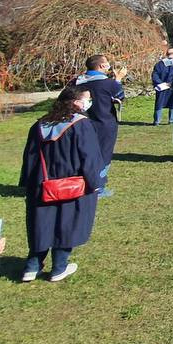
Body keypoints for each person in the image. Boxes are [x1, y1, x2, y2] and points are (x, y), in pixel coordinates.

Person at [20, 85, 104, 283]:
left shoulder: (40, 124)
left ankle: (32, 267)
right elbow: (90, 157)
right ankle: (59, 267)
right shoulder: (81, 125)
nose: (89, 102)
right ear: (76, 102)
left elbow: (29, 157)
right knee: (68, 223)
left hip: (42, 182)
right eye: (87, 98)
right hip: (72, 183)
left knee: (41, 224)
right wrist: (95, 183)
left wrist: (28, 182)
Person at [73, 54, 124, 196]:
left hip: (80, 123)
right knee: (103, 154)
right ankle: (98, 187)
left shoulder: (76, 82)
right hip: (104, 123)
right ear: (101, 66)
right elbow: (119, 96)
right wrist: (118, 80)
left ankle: (81, 183)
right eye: (107, 63)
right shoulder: (108, 83)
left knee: (83, 154)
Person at [151, 48, 173, 125]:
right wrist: (172, 84)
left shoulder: (159, 64)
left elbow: (155, 75)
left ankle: (157, 121)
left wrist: (161, 83)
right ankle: (172, 120)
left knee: (159, 103)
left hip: (161, 88)